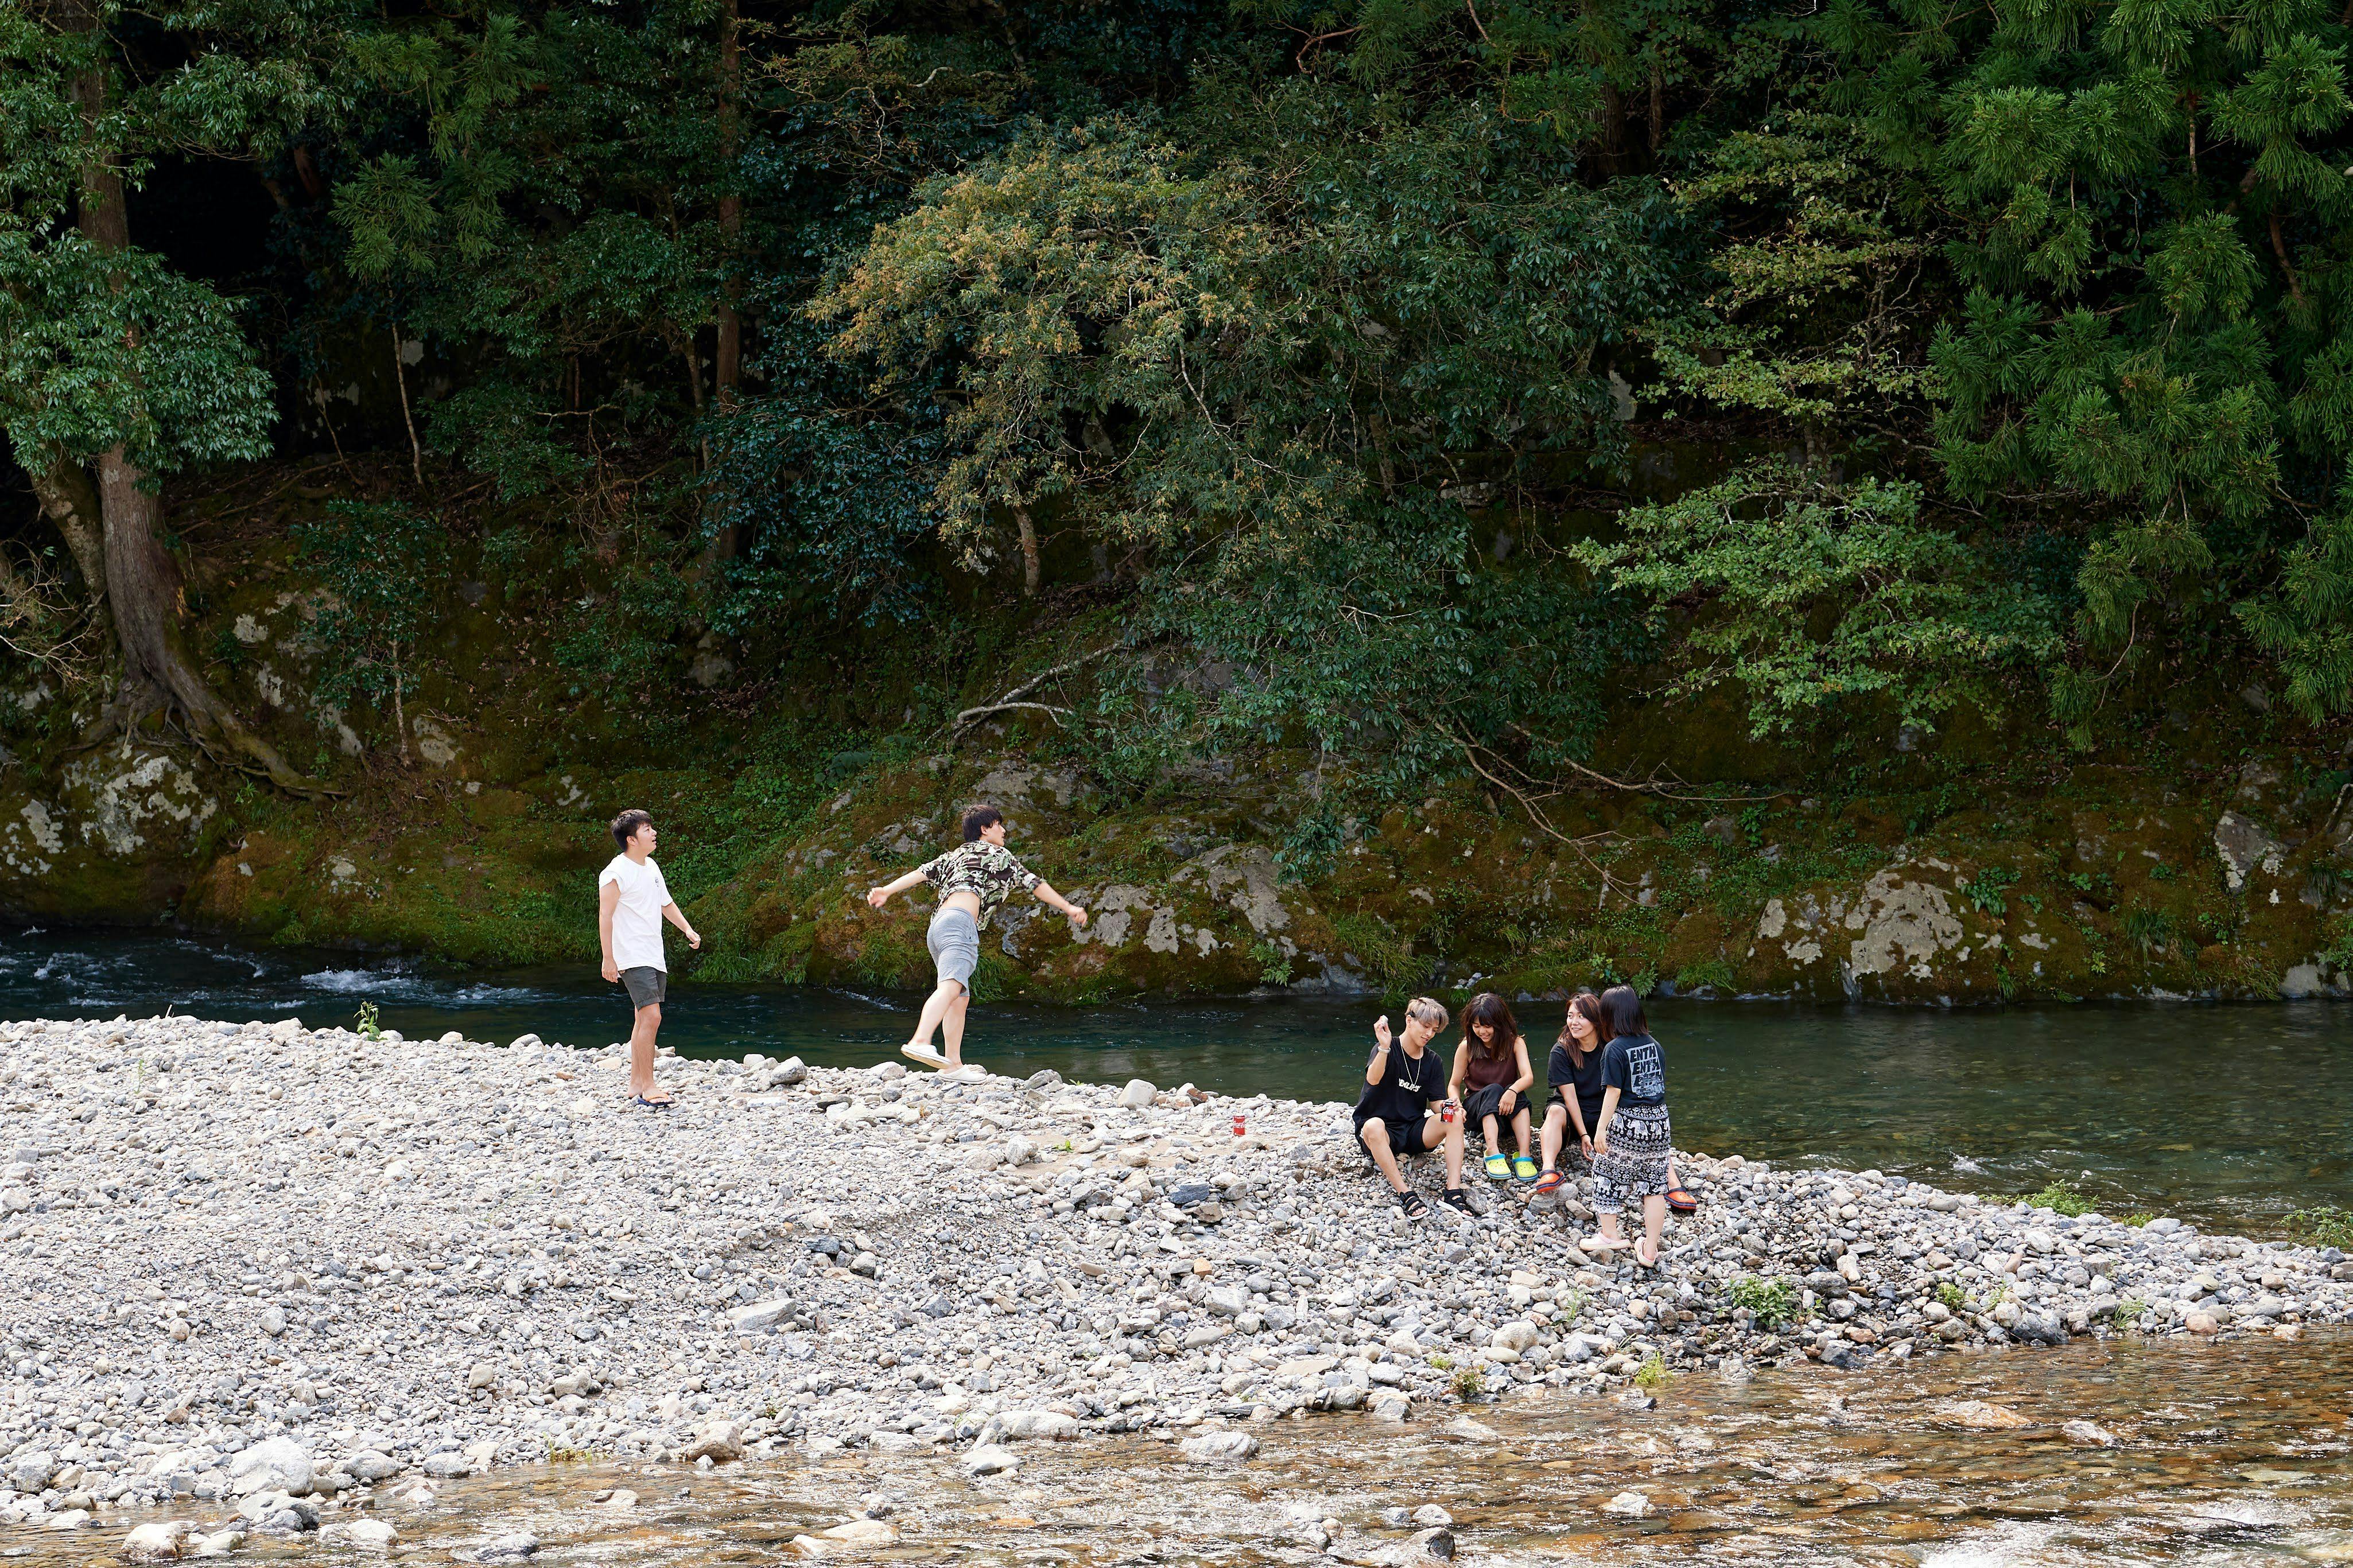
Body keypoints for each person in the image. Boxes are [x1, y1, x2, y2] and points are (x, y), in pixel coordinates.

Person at [865, 804, 1087, 1069]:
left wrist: (887, 890)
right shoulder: (998, 855)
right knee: (950, 987)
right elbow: (1034, 884)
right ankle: (920, 1039)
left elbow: (919, 874)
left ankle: (953, 1065)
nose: (1003, 830)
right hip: (960, 924)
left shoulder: (953, 856)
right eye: (998, 825)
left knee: (959, 995)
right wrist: (1069, 907)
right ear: (985, 829)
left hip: (938, 927)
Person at [598, 809, 701, 1108]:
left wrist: (687, 929)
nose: (654, 832)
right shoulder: (614, 873)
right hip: (631, 955)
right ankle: (649, 1087)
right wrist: (609, 959)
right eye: (646, 829)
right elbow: (605, 917)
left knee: (642, 1016)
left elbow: (665, 903)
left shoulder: (651, 866)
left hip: (654, 953)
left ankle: (635, 1084)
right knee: (653, 1016)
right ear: (631, 839)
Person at [1353, 997, 1471, 1218]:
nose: (1429, 1034)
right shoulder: (1385, 1049)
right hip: (1381, 1133)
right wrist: (1384, 1048)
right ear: (1409, 1020)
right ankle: (1406, 1194)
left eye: (1434, 1030)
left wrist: (1449, 1106)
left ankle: (1452, 1193)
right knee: (1373, 1126)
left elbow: (1436, 1104)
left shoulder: (1433, 1061)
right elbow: (1373, 1079)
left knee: (1453, 1118)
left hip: (1413, 1131)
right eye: (1426, 1027)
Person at [1588, 985, 1674, 1266]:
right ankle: (1650, 1250)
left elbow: (1613, 1093)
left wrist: (1600, 1130)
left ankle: (1610, 1234)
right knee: (1655, 1186)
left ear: (1611, 1016)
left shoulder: (1614, 1049)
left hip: (1629, 1122)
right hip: (1660, 1121)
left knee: (1607, 1173)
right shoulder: (1655, 1044)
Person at [1449, 992, 1537, 1183]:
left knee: (1517, 1092)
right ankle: (1492, 1151)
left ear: (1500, 1023)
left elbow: (1528, 1077)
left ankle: (1524, 1154)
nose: (1482, 1032)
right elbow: (1454, 1085)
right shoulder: (1467, 1047)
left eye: (1488, 1026)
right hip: (1477, 1113)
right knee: (1494, 1089)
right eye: (1477, 1026)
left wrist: (1512, 1091)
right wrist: (1458, 1106)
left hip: (1507, 1111)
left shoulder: (1515, 1043)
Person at [1533, 990, 1608, 1198]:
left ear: (1596, 1019)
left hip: (1603, 1114)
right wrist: (1584, 1135)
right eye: (1570, 1016)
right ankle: (1548, 1170)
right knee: (1555, 1111)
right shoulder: (1561, 1051)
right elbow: (1570, 1098)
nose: (1573, 1022)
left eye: (1581, 1016)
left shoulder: (1610, 1048)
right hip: (1571, 1113)